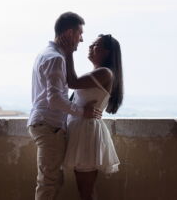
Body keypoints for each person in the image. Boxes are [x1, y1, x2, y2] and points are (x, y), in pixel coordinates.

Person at [27, 12, 101, 200]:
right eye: (79, 34)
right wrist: (82, 111)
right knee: (49, 182)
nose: (81, 39)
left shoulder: (47, 53)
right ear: (69, 33)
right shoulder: (56, 58)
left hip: (45, 124)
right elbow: (55, 99)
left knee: (52, 180)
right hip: (49, 126)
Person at [61, 34, 123, 200]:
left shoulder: (105, 73)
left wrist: (69, 52)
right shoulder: (98, 73)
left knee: (85, 191)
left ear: (107, 52)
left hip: (86, 133)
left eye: (96, 45)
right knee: (85, 190)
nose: (90, 46)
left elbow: (72, 82)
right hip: (82, 131)